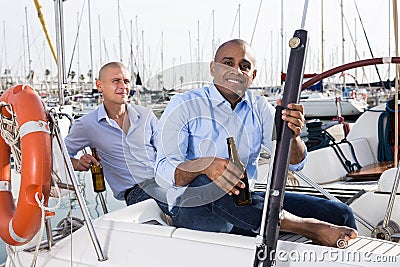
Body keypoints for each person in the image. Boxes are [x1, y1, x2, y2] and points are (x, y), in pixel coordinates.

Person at [155, 39, 358, 247]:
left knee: (340, 213)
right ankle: (309, 227)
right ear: (213, 68)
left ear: (253, 75)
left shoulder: (260, 108)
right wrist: (205, 165)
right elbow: (163, 171)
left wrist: (294, 136)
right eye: (227, 63)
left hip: (244, 205)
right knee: (206, 182)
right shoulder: (184, 105)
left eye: (244, 66)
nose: (236, 70)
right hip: (195, 210)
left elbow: (294, 164)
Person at [65, 62, 167, 209]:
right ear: (99, 86)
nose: (123, 86)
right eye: (116, 81)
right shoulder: (87, 125)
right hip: (137, 191)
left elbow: (166, 152)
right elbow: (59, 156)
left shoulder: (146, 116)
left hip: (164, 182)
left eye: (126, 81)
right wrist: (77, 163)